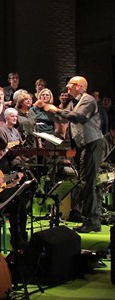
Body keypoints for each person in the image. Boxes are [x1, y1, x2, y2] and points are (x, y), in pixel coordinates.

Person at [35, 76, 103, 233]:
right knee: (84, 182)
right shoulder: (73, 103)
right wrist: (45, 107)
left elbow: (79, 117)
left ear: (78, 86)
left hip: (92, 144)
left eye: (69, 85)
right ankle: (91, 218)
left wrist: (55, 109)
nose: (67, 87)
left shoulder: (88, 100)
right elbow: (62, 117)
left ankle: (92, 220)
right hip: (82, 146)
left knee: (88, 182)